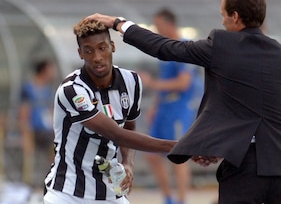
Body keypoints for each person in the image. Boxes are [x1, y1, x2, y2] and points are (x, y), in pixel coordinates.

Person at [86, 0, 281, 203]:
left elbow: (164, 47)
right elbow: (259, 113)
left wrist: (118, 24)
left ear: (236, 16)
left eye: (224, 15)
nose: (222, 21)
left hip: (244, 168)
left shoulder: (222, 45)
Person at [43, 18, 176, 204]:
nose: (97, 57)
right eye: (88, 51)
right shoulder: (72, 90)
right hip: (67, 193)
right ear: (80, 53)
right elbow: (117, 134)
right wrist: (180, 147)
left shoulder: (132, 81)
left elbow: (129, 127)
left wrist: (128, 163)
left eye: (102, 48)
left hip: (110, 191)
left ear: (112, 46)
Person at [140, 9, 201, 204]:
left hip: (178, 109)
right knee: (152, 154)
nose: (157, 30)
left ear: (169, 24)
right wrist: (156, 105)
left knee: (178, 155)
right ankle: (168, 197)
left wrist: (151, 84)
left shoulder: (184, 48)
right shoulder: (165, 50)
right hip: (164, 108)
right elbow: (165, 80)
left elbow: (183, 83)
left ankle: (182, 199)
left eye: (158, 25)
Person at [19, 59, 56, 189]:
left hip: (47, 131)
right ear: (44, 70)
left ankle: (50, 181)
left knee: (54, 154)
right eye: (50, 69)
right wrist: (26, 134)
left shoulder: (48, 89)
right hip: (34, 130)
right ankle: (32, 186)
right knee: (33, 160)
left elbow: (50, 111)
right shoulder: (29, 88)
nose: (53, 72)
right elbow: (24, 112)